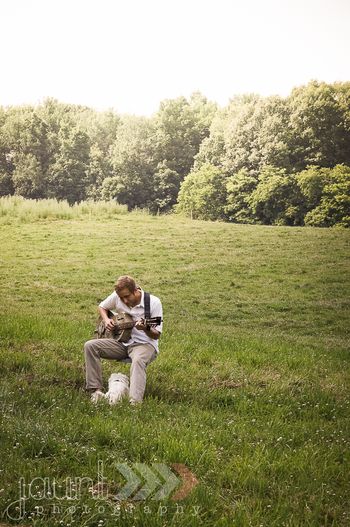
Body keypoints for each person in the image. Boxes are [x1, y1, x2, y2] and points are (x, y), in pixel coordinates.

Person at [84, 275, 163, 404]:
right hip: (121, 341)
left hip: (144, 344)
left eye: (127, 297)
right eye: (121, 298)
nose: (124, 301)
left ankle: (134, 403)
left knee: (138, 360)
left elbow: (157, 334)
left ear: (136, 290)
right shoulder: (118, 296)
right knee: (90, 346)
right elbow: (102, 307)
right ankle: (95, 392)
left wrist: (146, 328)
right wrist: (107, 319)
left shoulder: (153, 303)